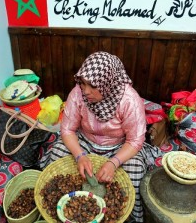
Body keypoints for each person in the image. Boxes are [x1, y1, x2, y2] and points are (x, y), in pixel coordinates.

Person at [39, 51, 162, 222]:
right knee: (57, 155)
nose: (86, 91)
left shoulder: (129, 100)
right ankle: (56, 210)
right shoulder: (78, 93)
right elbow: (67, 130)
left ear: (108, 82)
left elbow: (135, 140)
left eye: (93, 86)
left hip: (119, 146)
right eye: (83, 83)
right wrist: (79, 155)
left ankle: (130, 218)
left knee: (134, 173)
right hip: (85, 141)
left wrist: (113, 162)